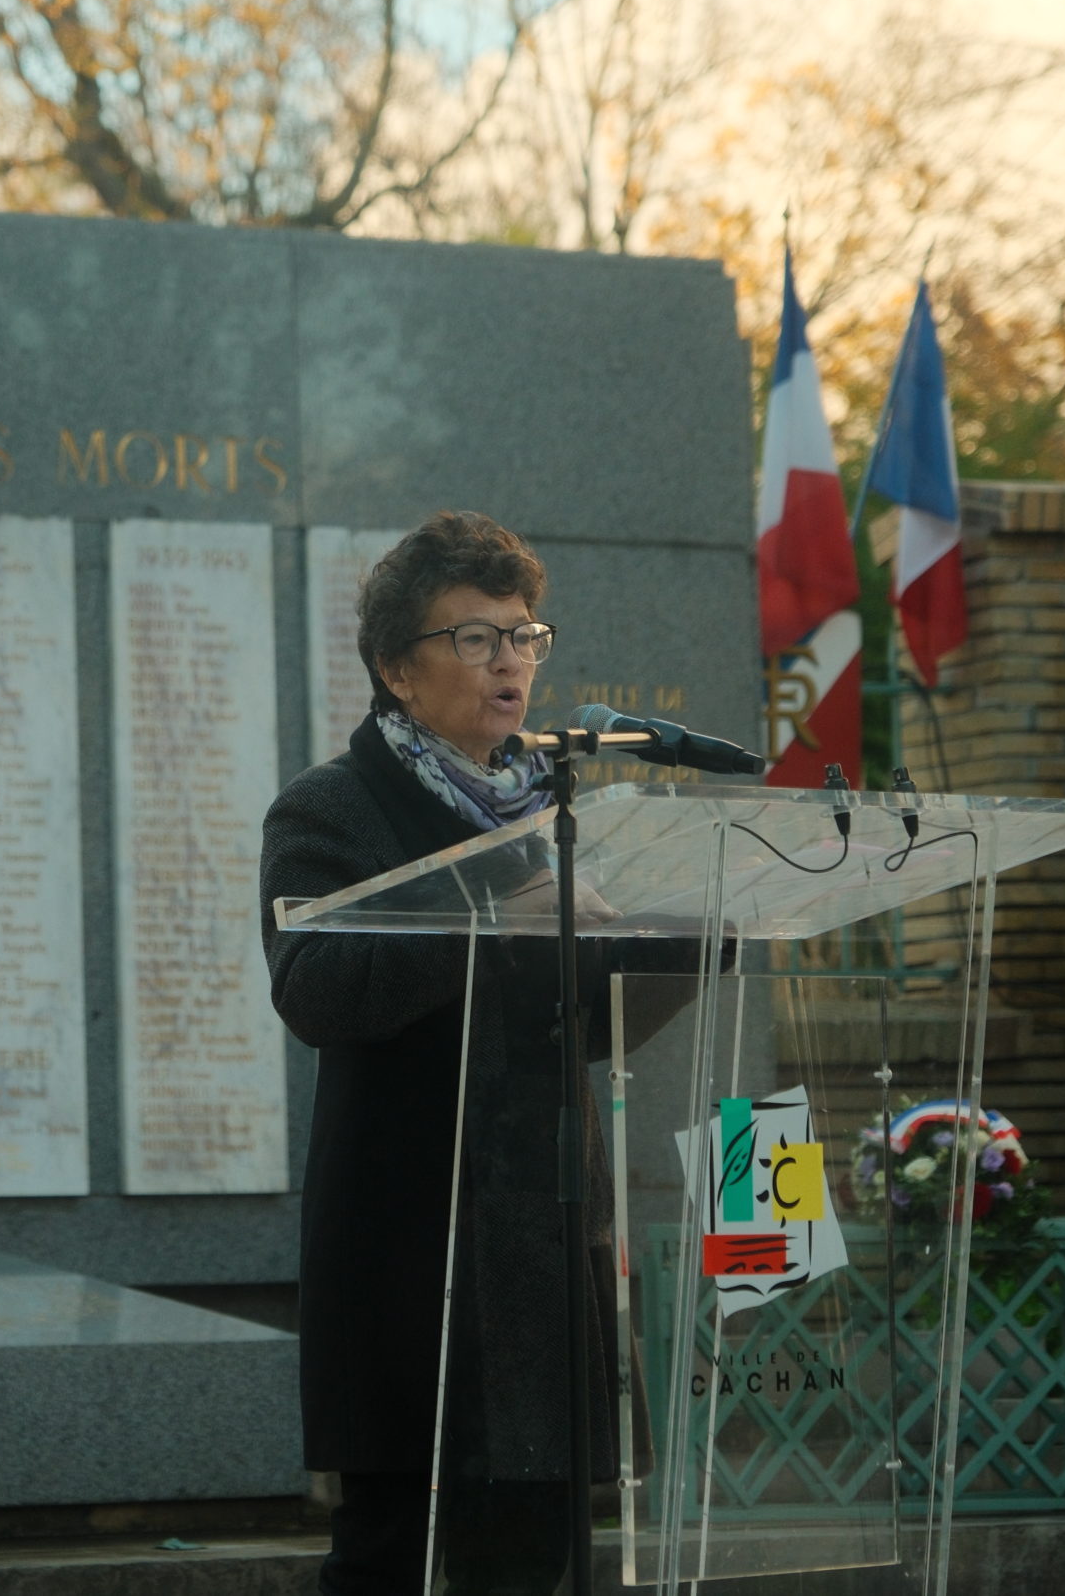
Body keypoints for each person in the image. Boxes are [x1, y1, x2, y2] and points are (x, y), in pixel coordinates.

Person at [260, 510, 700, 1596]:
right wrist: (486, 918)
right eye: (473, 638)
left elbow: (580, 1028)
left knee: (536, 1565)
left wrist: (684, 940)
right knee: (391, 1564)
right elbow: (311, 990)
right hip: (410, 1247)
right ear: (395, 670)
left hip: (543, 1238)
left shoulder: (558, 811)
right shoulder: (328, 808)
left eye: (522, 636)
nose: (509, 662)